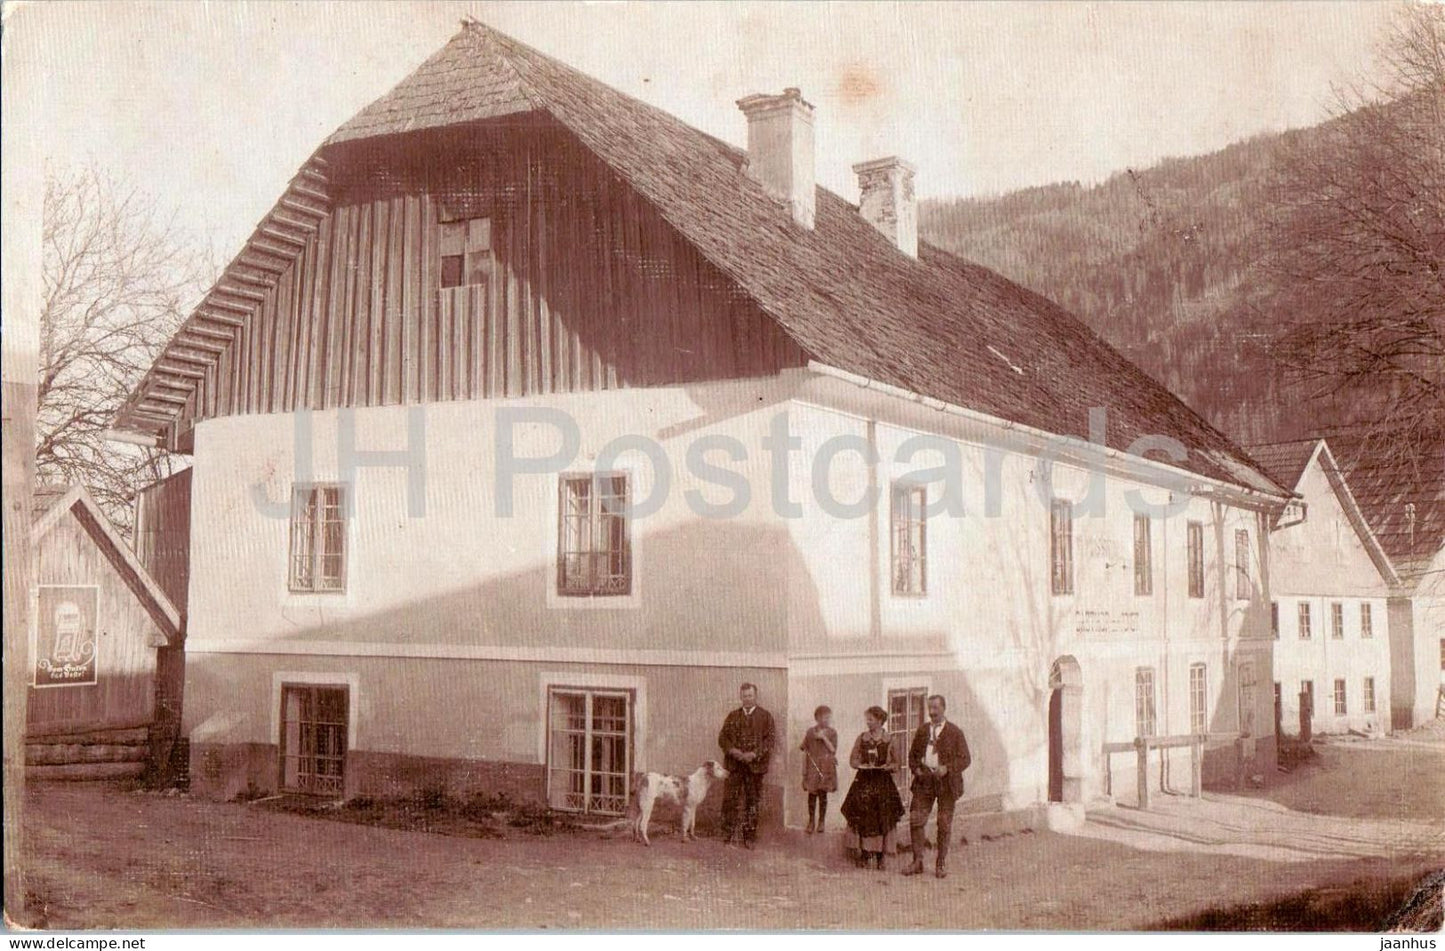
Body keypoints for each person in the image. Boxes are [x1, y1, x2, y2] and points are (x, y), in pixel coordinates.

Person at [902, 694, 971, 879]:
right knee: (916, 819)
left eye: (935, 708)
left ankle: (940, 863)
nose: (932, 712)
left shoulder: (955, 732)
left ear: (943, 708)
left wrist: (947, 768)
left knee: (944, 822)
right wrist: (917, 770)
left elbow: (965, 759)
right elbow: (912, 757)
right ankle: (917, 861)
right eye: (930, 708)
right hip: (924, 782)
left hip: (947, 785)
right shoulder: (923, 731)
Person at [840, 705, 905, 870]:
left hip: (883, 783)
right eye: (867, 719)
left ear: (880, 721)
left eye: (871, 719)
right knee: (862, 816)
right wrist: (861, 765)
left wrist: (887, 767)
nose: (868, 722)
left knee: (883, 817)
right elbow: (852, 760)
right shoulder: (862, 738)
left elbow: (897, 764)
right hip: (864, 782)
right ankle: (864, 853)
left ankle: (881, 856)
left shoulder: (890, 740)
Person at [717, 682, 774, 849]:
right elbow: (722, 738)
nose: (747, 699)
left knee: (753, 802)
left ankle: (749, 837)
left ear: (755, 696)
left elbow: (770, 740)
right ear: (740, 697)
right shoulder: (733, 716)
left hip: (755, 767)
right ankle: (728, 834)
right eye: (744, 696)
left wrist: (754, 754)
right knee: (730, 800)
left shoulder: (765, 716)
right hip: (734, 766)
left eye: (750, 695)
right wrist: (733, 751)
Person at [799, 705, 838, 834]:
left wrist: (824, 738)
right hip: (813, 767)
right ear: (817, 718)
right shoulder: (810, 732)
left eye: (829, 717)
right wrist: (804, 772)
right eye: (825, 717)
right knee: (812, 794)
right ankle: (811, 821)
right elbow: (804, 748)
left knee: (823, 794)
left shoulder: (832, 733)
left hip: (826, 767)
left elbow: (833, 750)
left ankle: (821, 821)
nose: (827, 720)